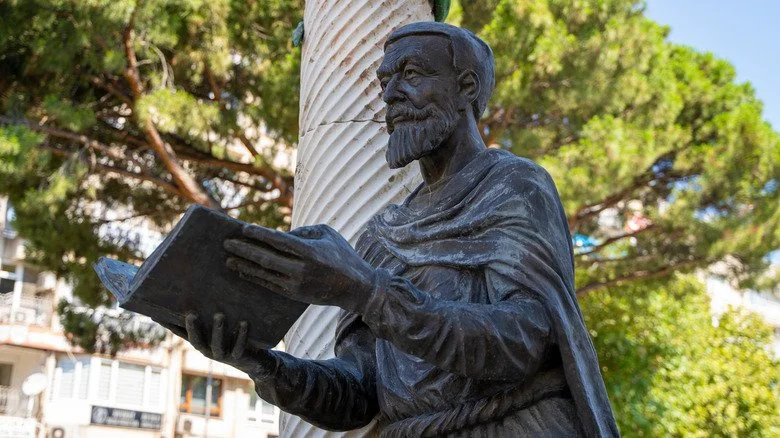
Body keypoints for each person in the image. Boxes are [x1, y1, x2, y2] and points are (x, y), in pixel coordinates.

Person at [170, 22, 619, 437]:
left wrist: (366, 290)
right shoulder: (381, 236)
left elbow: (520, 343)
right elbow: (361, 393)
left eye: (411, 74)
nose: (390, 96)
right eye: (385, 82)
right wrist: (265, 366)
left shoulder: (514, 187)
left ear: (466, 87)